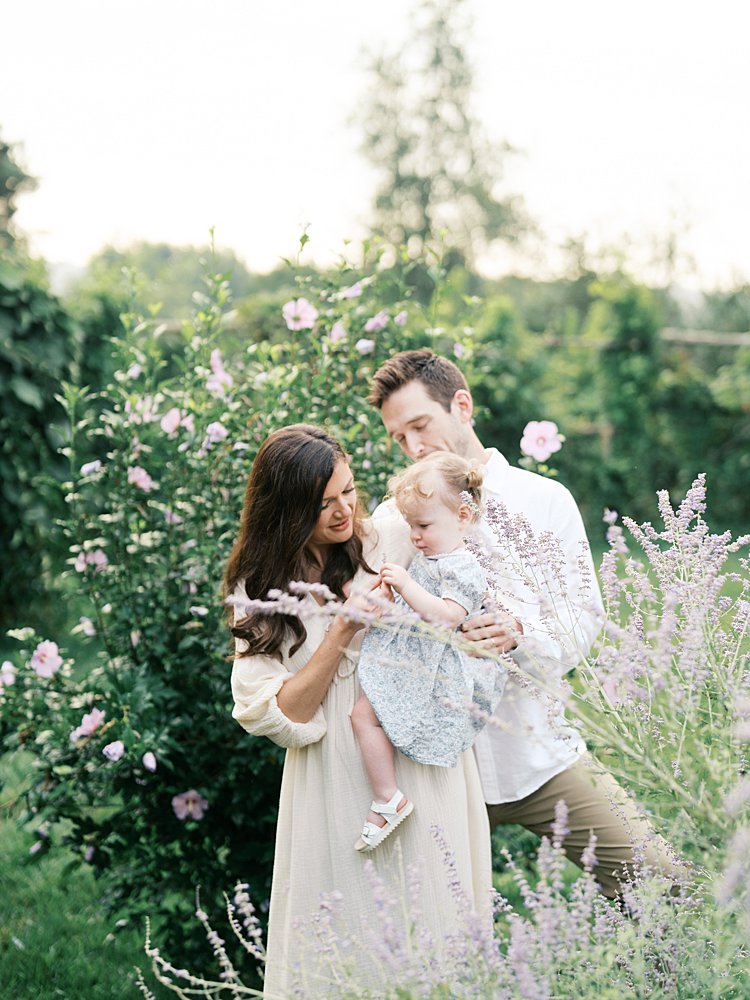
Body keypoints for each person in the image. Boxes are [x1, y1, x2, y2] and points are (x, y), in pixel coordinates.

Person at [367, 349, 683, 899]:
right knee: (414, 928)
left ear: (461, 406)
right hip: (439, 765)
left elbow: (585, 618)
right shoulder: (393, 517)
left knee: (665, 889)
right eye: (399, 438)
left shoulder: (544, 499)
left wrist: (520, 631)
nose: (414, 448)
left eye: (421, 426)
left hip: (537, 754)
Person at [226, 424, 492, 998]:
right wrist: (343, 629)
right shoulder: (261, 591)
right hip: (333, 777)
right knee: (344, 943)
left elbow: (472, 556)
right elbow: (276, 716)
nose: (344, 510)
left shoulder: (393, 538)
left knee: (436, 933)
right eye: (323, 504)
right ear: (287, 509)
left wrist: (509, 623)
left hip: (418, 753)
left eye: (349, 491)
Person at [351, 452, 507, 852]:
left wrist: (405, 585)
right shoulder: (433, 558)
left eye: (423, 525)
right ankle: (387, 797)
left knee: (364, 716)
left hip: (435, 666)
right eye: (410, 525)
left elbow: (446, 617)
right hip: (415, 657)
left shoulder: (464, 568)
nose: (415, 536)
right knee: (363, 715)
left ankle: (387, 799)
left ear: (464, 517)